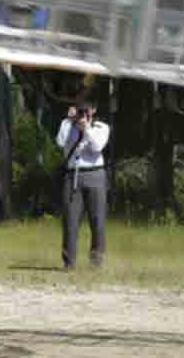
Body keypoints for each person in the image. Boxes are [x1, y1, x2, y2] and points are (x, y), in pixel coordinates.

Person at [56, 99, 110, 269]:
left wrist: (86, 127)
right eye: (80, 110)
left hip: (95, 174)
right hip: (73, 175)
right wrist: (67, 121)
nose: (82, 114)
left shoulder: (101, 127)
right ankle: (69, 262)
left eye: (85, 110)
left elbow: (96, 147)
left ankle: (96, 262)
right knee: (70, 221)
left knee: (97, 220)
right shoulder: (68, 125)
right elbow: (60, 142)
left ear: (93, 110)